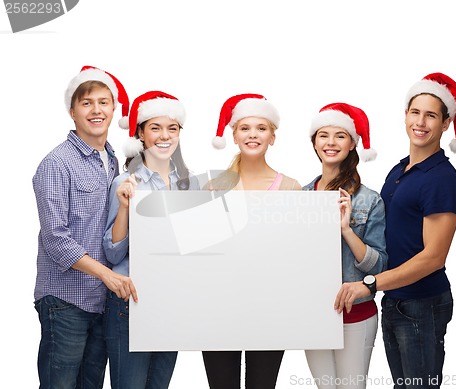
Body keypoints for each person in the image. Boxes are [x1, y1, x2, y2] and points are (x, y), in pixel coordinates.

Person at [334, 73, 456, 389]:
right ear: (405, 115)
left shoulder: (441, 180)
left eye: (431, 115)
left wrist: (371, 283)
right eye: (415, 112)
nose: (421, 122)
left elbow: (433, 258)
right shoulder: (400, 170)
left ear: (445, 124)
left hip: (421, 303)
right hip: (396, 299)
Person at [32, 65, 137, 389]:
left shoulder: (113, 161)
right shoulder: (56, 163)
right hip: (64, 301)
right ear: (72, 112)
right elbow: (55, 238)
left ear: (114, 109)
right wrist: (107, 274)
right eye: (87, 103)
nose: (96, 110)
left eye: (104, 102)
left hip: (100, 302)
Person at [203, 93, 302, 389]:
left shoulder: (290, 188)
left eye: (261, 128)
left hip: (269, 309)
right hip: (220, 309)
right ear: (234, 135)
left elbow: (295, 253)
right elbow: (203, 251)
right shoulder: (214, 187)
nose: (253, 135)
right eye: (245, 128)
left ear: (272, 137)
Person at [103, 91, 200, 388]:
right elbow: (113, 253)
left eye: (172, 129)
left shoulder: (190, 183)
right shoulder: (126, 182)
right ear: (141, 135)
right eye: (155, 128)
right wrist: (124, 207)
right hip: (131, 301)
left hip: (171, 301)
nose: (164, 136)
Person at [303, 103, 388, 389]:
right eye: (323, 135)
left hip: (356, 314)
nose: (330, 142)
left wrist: (346, 229)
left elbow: (379, 267)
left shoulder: (369, 200)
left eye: (340, 135)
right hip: (312, 312)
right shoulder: (300, 196)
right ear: (314, 142)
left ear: (352, 143)